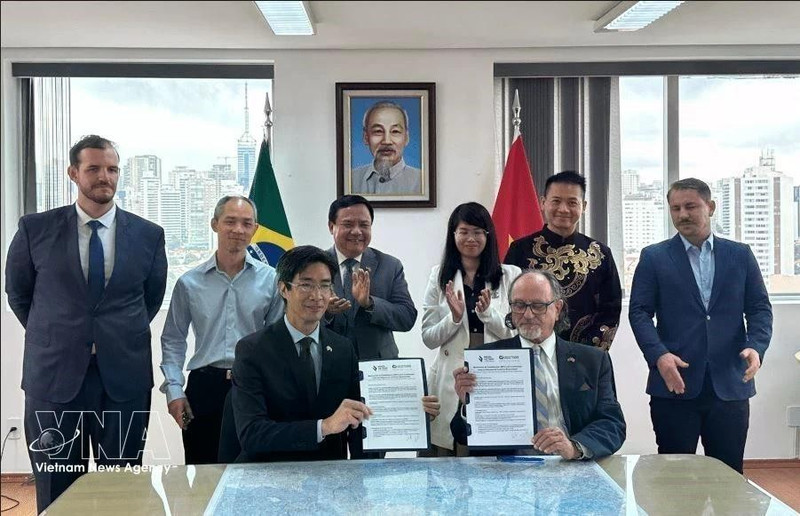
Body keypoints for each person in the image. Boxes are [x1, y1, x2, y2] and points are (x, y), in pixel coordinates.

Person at [5, 135, 167, 513]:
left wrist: (111, 338)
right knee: (56, 483)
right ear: (73, 173)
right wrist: (62, 335)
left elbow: (150, 299)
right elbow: (19, 294)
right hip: (55, 378)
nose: (104, 177)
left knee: (122, 486)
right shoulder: (35, 229)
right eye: (93, 168)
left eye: (111, 169)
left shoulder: (148, 235)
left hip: (123, 380)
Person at [231, 245, 437, 462]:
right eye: (306, 285)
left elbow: (359, 420)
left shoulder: (342, 348)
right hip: (271, 473)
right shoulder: (253, 350)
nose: (318, 296)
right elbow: (252, 434)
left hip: (331, 473)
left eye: (325, 286)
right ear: (284, 289)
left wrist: (412, 414)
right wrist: (323, 427)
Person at [629, 178, 772, 474]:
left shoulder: (740, 255)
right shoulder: (654, 257)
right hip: (674, 384)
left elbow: (759, 309)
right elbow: (639, 313)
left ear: (711, 207)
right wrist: (659, 355)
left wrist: (756, 347)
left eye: (690, 206)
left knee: (729, 478)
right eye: (675, 208)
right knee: (674, 478)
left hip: (730, 385)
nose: (682, 214)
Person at [159, 195, 284, 464]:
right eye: (230, 221)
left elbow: (277, 342)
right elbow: (173, 339)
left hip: (251, 386)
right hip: (204, 388)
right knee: (203, 470)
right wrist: (174, 390)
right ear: (215, 224)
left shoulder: (271, 280)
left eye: (246, 223)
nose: (238, 230)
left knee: (254, 471)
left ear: (254, 229)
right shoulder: (189, 283)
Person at [451, 270, 626, 460]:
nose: (527, 314)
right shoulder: (485, 360)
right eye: (519, 305)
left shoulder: (593, 360)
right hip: (507, 473)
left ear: (557, 309)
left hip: (569, 466)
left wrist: (574, 447)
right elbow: (460, 435)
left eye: (538, 305)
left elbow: (612, 424)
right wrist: (469, 406)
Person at [421, 202, 520, 455]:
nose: (470, 238)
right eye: (463, 231)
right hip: (450, 373)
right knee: (449, 450)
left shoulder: (509, 275)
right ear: (453, 235)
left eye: (478, 232)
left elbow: (518, 334)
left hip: (494, 372)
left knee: (489, 450)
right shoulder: (439, 275)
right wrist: (453, 319)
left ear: (488, 235)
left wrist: (487, 314)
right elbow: (429, 338)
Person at [504, 171, 622, 349]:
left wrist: (588, 354)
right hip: (529, 353)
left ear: (583, 206)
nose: (564, 209)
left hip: (584, 357)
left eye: (572, 202)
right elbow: (507, 304)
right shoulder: (520, 250)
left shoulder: (600, 253)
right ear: (543, 203)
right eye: (556, 201)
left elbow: (611, 311)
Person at [324, 195, 417, 360]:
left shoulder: (390, 265)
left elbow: (407, 317)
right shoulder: (316, 265)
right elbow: (295, 318)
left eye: (364, 225)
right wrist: (326, 312)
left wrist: (370, 304)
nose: (357, 231)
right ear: (332, 227)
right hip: (329, 363)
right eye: (348, 224)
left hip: (377, 368)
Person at [351, 101, 422, 195]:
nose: (387, 141)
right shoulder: (351, 179)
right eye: (378, 131)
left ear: (406, 138)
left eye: (395, 131)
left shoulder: (421, 180)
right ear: (366, 137)